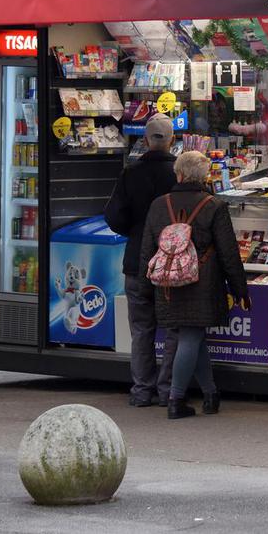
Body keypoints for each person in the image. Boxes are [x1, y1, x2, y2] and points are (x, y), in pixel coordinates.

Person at [141, 151, 249, 420]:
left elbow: (147, 250)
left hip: (168, 283)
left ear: (177, 173)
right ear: (204, 176)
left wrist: (147, 287)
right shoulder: (213, 206)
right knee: (191, 336)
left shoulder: (158, 205)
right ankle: (176, 399)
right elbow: (228, 253)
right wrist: (239, 289)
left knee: (194, 336)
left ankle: (211, 394)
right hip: (202, 282)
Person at [104, 113, 177, 407]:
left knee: (141, 331)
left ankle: (143, 389)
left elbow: (113, 216)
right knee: (173, 328)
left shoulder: (130, 173)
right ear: (172, 140)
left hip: (137, 261)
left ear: (145, 140)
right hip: (173, 264)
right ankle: (167, 389)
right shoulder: (179, 174)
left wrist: (135, 231)